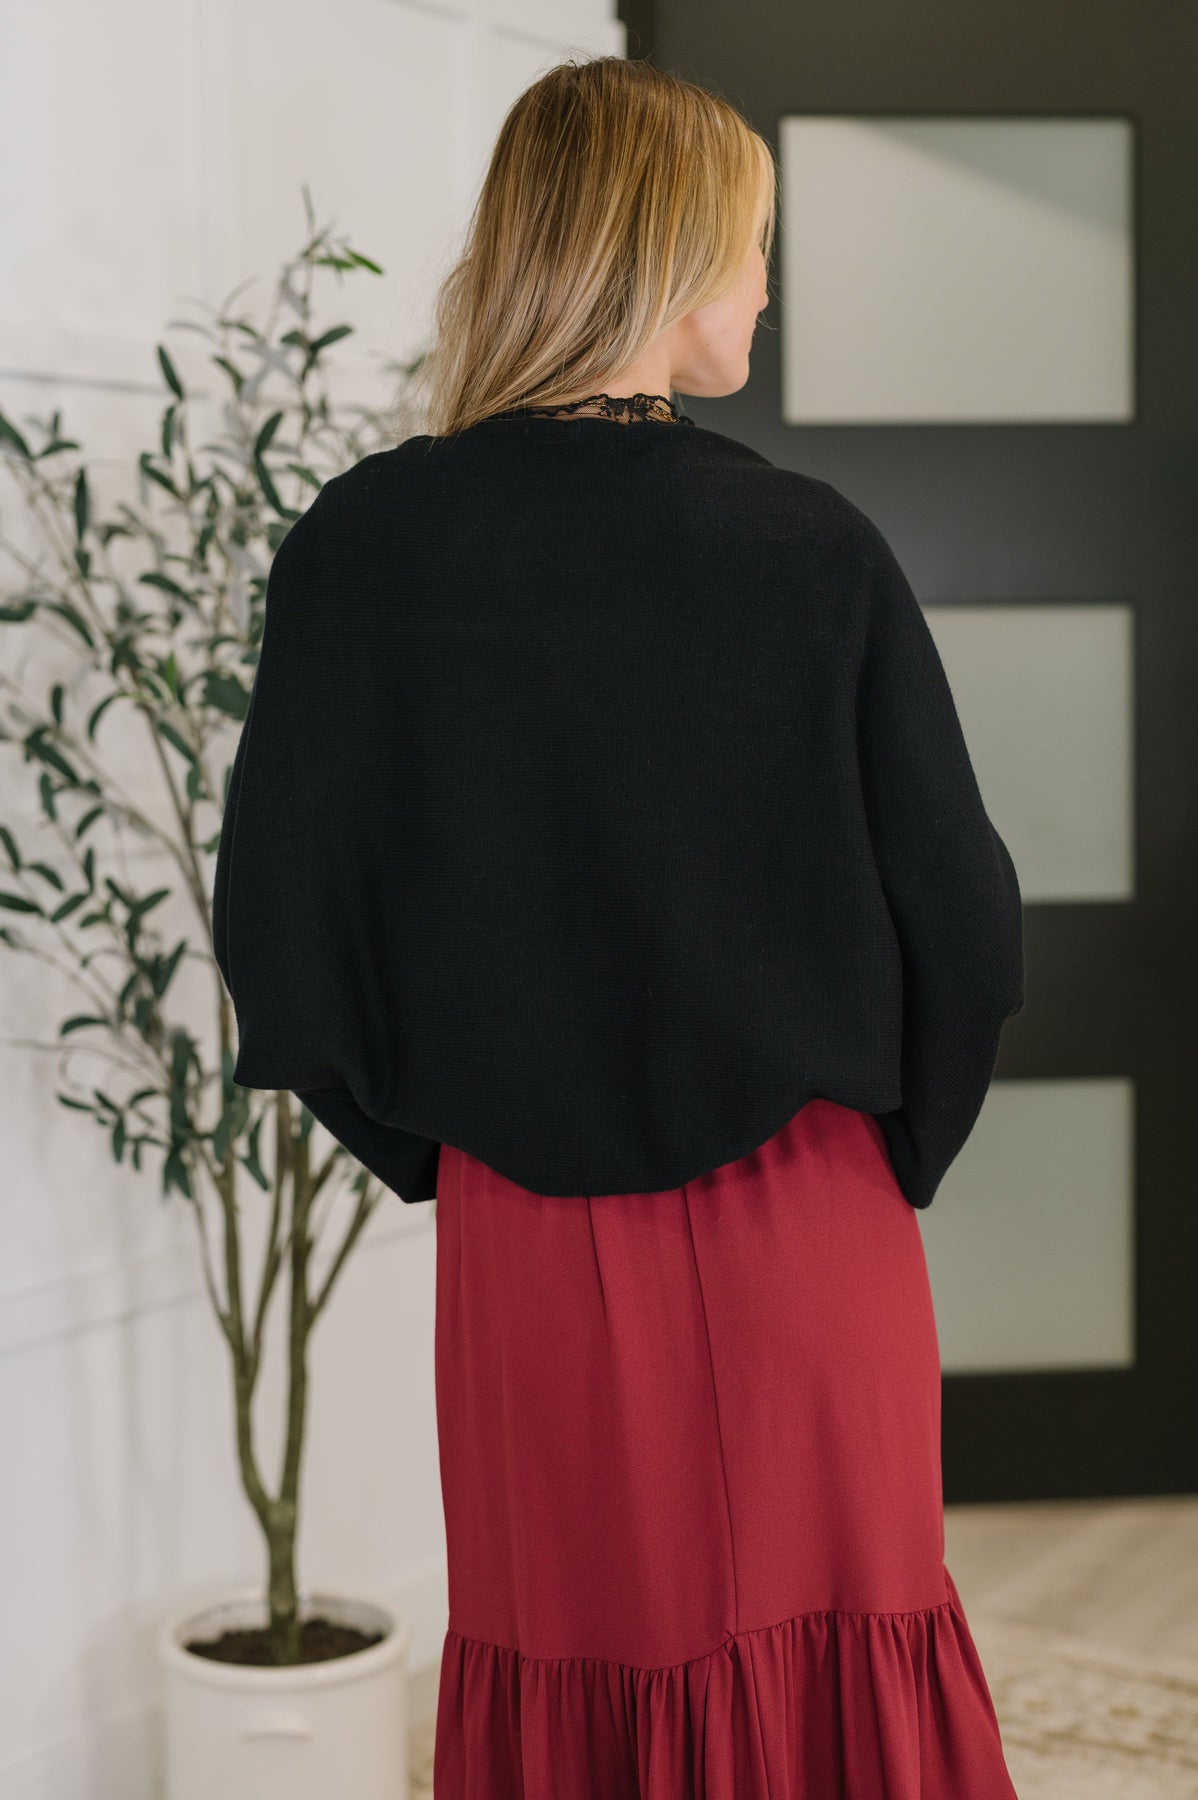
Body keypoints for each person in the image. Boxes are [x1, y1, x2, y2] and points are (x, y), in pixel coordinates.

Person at [213, 52, 1025, 1800]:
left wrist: (446, 1142)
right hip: (804, 1212)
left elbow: (280, 931)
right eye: (749, 244)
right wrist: (886, 1144)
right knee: (835, 1648)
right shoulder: (807, 548)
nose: (764, 286)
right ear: (662, 256)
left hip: (519, 1237)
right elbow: (961, 918)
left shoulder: (361, 545)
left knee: (572, 1654)